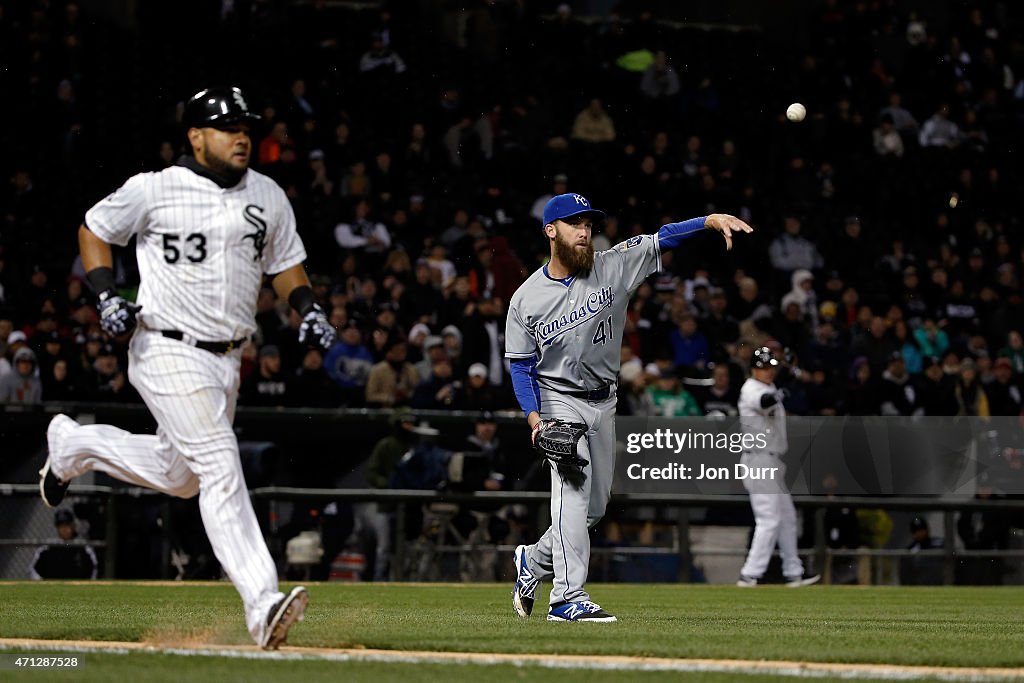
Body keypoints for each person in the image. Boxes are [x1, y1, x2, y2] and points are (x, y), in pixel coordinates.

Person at [37, 86, 337, 650]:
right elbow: (94, 229)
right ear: (196, 136)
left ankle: (71, 446)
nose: (242, 135)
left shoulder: (268, 195)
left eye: (247, 126)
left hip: (228, 361)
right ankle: (262, 601)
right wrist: (105, 293)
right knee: (221, 460)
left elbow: (287, 263)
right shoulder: (155, 189)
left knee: (182, 478)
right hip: (166, 347)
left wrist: (308, 307)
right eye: (228, 127)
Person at [506, 192, 751, 622]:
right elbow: (521, 367)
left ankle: (533, 561)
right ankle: (566, 597)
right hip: (557, 398)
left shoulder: (613, 265)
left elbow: (662, 239)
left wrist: (708, 219)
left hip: (605, 400)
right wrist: (534, 418)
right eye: (574, 224)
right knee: (573, 490)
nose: (584, 232)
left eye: (588, 224)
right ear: (551, 231)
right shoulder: (525, 299)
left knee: (594, 508)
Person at [736, 347, 820, 588]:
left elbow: (777, 393)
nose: (768, 371)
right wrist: (785, 379)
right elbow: (765, 402)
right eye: (763, 367)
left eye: (771, 367)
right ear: (753, 368)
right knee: (769, 518)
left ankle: (793, 571)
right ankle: (750, 574)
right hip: (758, 459)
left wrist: (786, 374)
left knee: (786, 516)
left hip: (771, 460)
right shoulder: (751, 388)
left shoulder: (770, 385)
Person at [29, 509, 99, 580]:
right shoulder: (48, 548)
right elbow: (33, 569)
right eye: (61, 525)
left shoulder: (83, 547)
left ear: (73, 526)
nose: (64, 529)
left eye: (67, 525)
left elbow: (94, 568)